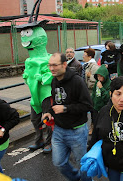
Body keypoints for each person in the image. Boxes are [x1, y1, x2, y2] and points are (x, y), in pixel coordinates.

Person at [42, 53, 92, 181]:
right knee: (58, 163)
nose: (51, 68)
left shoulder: (77, 81)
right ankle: (76, 178)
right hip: (59, 130)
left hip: (77, 130)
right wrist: (49, 112)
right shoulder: (54, 80)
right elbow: (55, 101)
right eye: (50, 65)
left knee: (83, 165)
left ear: (64, 65)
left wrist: (65, 108)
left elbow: (87, 105)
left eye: (55, 65)